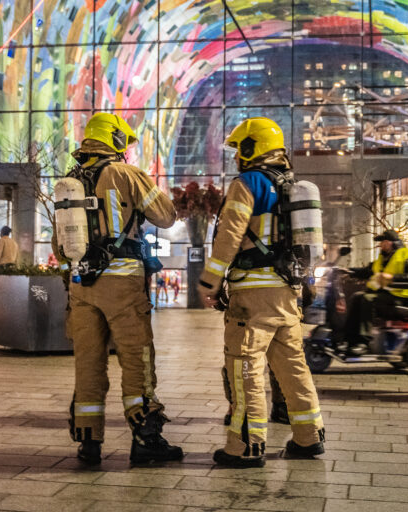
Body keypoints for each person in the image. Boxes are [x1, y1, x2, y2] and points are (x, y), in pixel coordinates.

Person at [199, 117, 325, 468]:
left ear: (253, 147)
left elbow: (229, 236)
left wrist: (210, 281)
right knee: (292, 367)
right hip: (287, 293)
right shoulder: (292, 186)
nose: (237, 155)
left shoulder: (249, 183)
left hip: (253, 295)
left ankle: (246, 445)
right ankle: (309, 437)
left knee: (245, 368)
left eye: (240, 147)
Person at [65, 113, 182, 465]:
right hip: (122, 281)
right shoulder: (126, 173)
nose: (127, 150)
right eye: (125, 143)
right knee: (136, 358)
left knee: (88, 362)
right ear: (115, 140)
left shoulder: (70, 180)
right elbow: (166, 215)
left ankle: (89, 442)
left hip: (81, 285)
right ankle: (146, 438)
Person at [341, 230, 408, 349]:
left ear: (389, 242)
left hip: (401, 298)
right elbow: (368, 271)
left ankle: (364, 341)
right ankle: (350, 339)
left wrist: (393, 278)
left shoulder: (407, 255)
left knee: (366, 299)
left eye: (382, 241)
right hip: (384, 296)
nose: (380, 245)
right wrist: (349, 272)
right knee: (356, 297)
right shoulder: (382, 258)